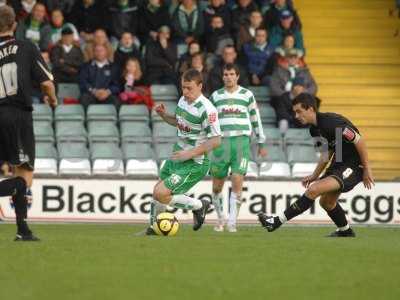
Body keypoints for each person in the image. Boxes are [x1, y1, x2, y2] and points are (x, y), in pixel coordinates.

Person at [258, 93, 374, 237]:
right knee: (326, 203)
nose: (296, 116)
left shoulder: (333, 123)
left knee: (314, 190)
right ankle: (346, 231)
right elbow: (326, 154)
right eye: (295, 112)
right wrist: (315, 175)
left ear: (311, 109)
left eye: (299, 111)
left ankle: (275, 221)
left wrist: (366, 169)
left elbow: (359, 141)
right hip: (338, 163)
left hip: (354, 164)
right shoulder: (314, 130)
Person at [0, 5, 58, 241]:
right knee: (23, 178)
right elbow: (46, 83)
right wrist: (52, 99)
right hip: (17, 116)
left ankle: (23, 230)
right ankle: (22, 229)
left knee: (18, 180)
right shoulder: (25, 47)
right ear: (15, 24)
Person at [145, 69, 222, 235]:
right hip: (178, 155)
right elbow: (179, 122)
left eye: (189, 88)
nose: (185, 92)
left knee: (161, 193)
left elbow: (216, 140)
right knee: (157, 191)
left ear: (200, 86)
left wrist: (191, 153)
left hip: (195, 163)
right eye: (183, 87)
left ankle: (200, 205)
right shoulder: (183, 101)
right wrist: (164, 115)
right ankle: (153, 229)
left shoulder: (208, 110)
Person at [209, 63, 267, 232]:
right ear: (223, 77)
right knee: (217, 186)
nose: (228, 77)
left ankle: (232, 223)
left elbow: (255, 118)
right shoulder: (216, 96)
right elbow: (210, 120)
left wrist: (261, 141)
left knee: (237, 180)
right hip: (221, 143)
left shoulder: (247, 95)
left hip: (241, 141)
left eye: (231, 74)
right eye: (225, 74)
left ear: (237, 76)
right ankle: (220, 219)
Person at [270, 49, 317, 133]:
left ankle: (309, 125)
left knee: (313, 101)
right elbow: (274, 86)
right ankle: (284, 124)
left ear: (298, 59)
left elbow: (313, 87)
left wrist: (303, 93)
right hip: (284, 98)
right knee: (280, 101)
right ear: (286, 59)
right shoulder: (279, 70)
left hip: (302, 97)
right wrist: (288, 95)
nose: (292, 59)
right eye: (290, 57)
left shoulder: (304, 71)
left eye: (295, 57)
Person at [79, 44, 120, 108]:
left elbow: (117, 84)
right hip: (91, 94)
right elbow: (83, 82)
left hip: (108, 95)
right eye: (96, 51)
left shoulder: (113, 67)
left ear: (106, 52)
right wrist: (94, 91)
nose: (99, 53)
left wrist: (107, 92)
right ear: (93, 52)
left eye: (101, 50)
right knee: (84, 99)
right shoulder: (86, 66)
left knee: (116, 101)